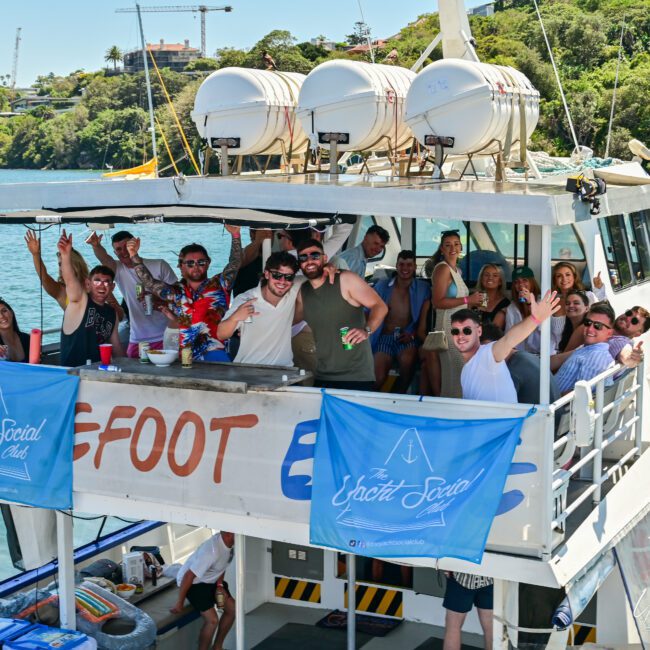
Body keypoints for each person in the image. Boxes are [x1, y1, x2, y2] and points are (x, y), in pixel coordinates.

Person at [126, 226, 241, 361]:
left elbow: (235, 262)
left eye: (201, 262)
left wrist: (236, 236)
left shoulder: (221, 284)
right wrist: (134, 255)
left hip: (216, 353)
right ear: (181, 265)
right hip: (185, 358)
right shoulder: (176, 291)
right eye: (190, 263)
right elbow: (149, 282)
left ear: (208, 263)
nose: (196, 266)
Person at [296, 238, 388, 390]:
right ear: (299, 263)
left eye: (315, 256)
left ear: (325, 258)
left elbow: (380, 306)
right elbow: (288, 322)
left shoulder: (345, 279)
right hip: (323, 375)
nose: (309, 261)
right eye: (303, 257)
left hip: (356, 376)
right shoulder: (303, 291)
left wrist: (367, 330)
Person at [450, 290, 560, 402]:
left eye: (467, 331)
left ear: (479, 331)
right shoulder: (465, 370)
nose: (460, 336)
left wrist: (535, 319)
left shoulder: (487, 355)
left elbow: (509, 339)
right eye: (455, 331)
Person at [87, 230, 177, 358]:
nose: (123, 252)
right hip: (137, 338)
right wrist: (96, 245)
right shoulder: (118, 269)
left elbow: (179, 297)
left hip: (166, 333)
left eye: (126, 247)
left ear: (134, 246)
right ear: (115, 253)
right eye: (118, 249)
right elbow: (104, 259)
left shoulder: (159, 265)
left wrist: (155, 299)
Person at [217, 252, 301, 366]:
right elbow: (221, 334)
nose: (282, 281)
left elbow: (316, 275)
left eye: (288, 277)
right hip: (250, 370)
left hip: (284, 370)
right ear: (267, 274)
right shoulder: (246, 299)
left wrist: (329, 269)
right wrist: (235, 318)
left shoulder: (294, 289)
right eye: (277, 275)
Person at [428, 230, 483, 398]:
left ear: (461, 247)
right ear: (442, 249)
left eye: (456, 244)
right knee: (454, 369)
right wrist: (468, 300)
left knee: (461, 370)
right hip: (448, 326)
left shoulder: (457, 270)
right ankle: (451, 404)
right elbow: (437, 302)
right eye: (448, 245)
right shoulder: (442, 269)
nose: (453, 248)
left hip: (459, 326)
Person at [58, 230, 124, 367]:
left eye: (106, 282)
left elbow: (116, 347)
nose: (101, 285)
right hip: (74, 374)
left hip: (98, 374)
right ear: (88, 283)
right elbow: (70, 281)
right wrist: (65, 256)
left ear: (112, 287)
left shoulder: (112, 313)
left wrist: (129, 367)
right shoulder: (80, 301)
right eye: (97, 281)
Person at [371, 250, 431, 392]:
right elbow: (368, 310)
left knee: (407, 362)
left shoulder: (424, 288)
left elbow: (424, 319)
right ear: (396, 266)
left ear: (415, 266)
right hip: (384, 337)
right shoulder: (382, 286)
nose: (405, 268)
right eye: (402, 264)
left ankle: (399, 397)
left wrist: (413, 334)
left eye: (409, 265)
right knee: (377, 377)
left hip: (408, 337)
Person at [171, 530, 235, 650]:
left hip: (212, 580)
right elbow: (188, 576)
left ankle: (217, 647)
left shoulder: (232, 545)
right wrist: (179, 603)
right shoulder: (211, 552)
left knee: (232, 609)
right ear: (229, 534)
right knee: (212, 620)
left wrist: (220, 586)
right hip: (194, 584)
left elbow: (222, 566)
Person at [480, 323, 561, 404]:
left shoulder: (512, 368)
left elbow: (500, 405)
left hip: (542, 415)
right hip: (553, 413)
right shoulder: (524, 357)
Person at [554, 302, 617, 395]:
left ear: (609, 333)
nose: (590, 329)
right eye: (588, 323)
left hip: (551, 405)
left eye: (598, 326)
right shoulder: (587, 349)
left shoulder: (596, 357)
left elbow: (579, 395)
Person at [504, 266, 563, 354]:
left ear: (532, 282)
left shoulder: (544, 302)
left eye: (525, 280)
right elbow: (508, 336)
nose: (521, 284)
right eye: (516, 282)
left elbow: (546, 331)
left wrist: (530, 303)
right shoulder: (512, 308)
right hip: (520, 354)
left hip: (545, 355)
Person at [474, 263, 510, 329]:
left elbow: (494, 333)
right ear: (481, 279)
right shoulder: (473, 298)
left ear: (500, 281)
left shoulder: (505, 303)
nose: (490, 278)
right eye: (487, 275)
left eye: (495, 275)